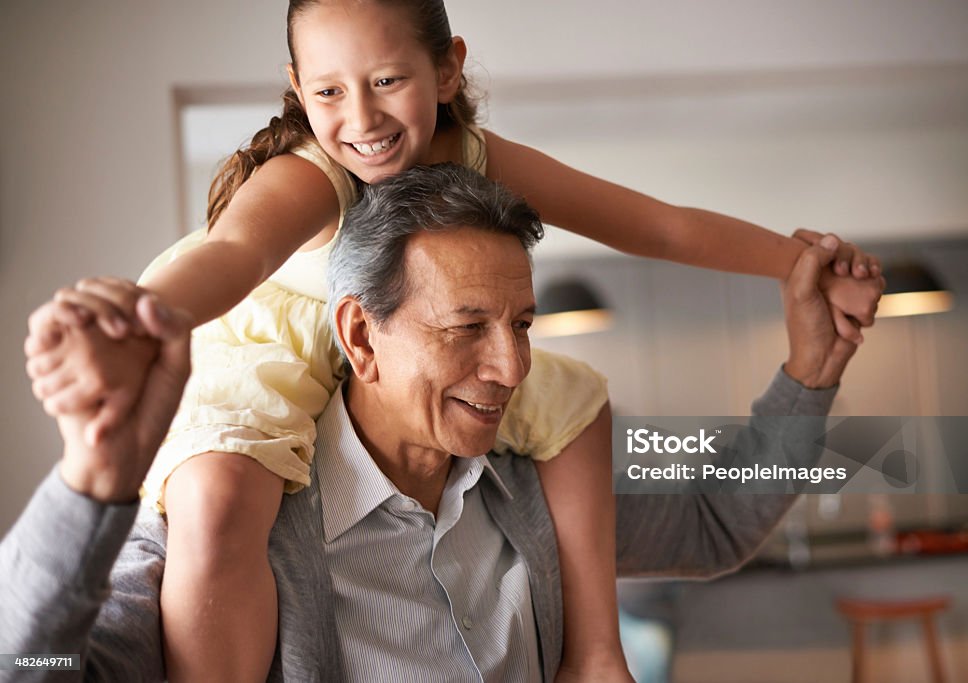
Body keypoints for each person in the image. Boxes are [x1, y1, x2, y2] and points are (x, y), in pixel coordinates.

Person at [25, 1, 883, 680]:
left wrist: (807, 315)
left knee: (579, 403)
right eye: (467, 327)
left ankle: (598, 655)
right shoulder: (205, 543)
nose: (510, 365)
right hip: (251, 328)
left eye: (520, 323)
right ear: (360, 335)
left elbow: (712, 523)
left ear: (446, 69)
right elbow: (233, 255)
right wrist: (134, 325)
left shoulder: (518, 492)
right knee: (218, 497)